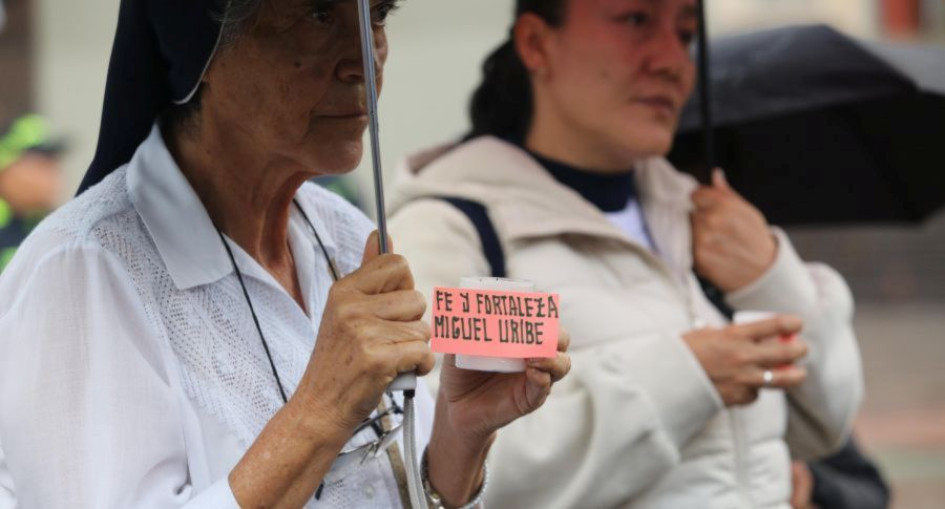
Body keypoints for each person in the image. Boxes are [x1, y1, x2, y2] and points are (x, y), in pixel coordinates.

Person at [0, 0, 571, 507]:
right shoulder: (82, 274)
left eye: (377, 14)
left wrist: (459, 440)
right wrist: (320, 412)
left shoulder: (345, 234)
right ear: (202, 48)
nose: (365, 61)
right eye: (318, 15)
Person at [388, 0, 863, 507]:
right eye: (636, 21)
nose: (672, 62)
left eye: (685, 34)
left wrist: (770, 277)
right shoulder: (457, 229)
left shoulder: (702, 217)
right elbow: (444, 465)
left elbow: (825, 428)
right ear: (536, 43)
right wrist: (684, 377)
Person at [0, 114, 64, 271]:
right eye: (39, 164)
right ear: (6, 169)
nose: (52, 173)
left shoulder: (60, 226)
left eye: (53, 163)